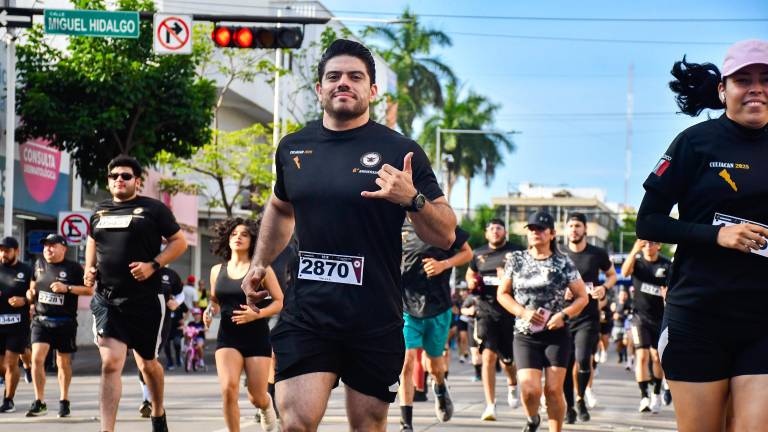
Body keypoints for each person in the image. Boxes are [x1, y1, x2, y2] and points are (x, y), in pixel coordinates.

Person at [240, 39, 456, 432]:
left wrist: (413, 199)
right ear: (319, 89)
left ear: (372, 91)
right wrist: (259, 263)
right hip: (308, 313)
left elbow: (445, 233)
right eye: (333, 76)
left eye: (355, 77)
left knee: (367, 426)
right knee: (295, 423)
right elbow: (281, 207)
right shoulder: (293, 148)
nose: (343, 82)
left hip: (374, 317)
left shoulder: (400, 151)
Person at [636, 39, 768, 432]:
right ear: (723, 90)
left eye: (766, 79)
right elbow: (649, 222)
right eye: (744, 80)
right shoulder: (694, 142)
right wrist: (716, 235)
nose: (757, 88)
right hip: (698, 316)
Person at [84, 155, 188, 432]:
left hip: (145, 301)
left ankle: (158, 411)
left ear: (137, 181)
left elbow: (179, 242)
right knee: (110, 364)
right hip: (107, 300)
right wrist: (88, 269)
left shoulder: (153, 209)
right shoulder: (99, 211)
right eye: (114, 176)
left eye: (126, 176)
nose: (119, 179)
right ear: (108, 181)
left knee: (148, 364)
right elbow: (92, 240)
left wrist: (153, 265)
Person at [498, 211, 588, 432]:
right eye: (531, 229)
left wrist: (563, 315)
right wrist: (522, 312)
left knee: (553, 391)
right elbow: (502, 294)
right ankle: (532, 419)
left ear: (552, 234)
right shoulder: (516, 260)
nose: (535, 232)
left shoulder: (563, 262)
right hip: (525, 335)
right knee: (530, 391)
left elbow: (582, 297)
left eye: (540, 229)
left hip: (556, 334)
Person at [203, 218, 282, 432]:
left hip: (256, 338)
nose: (238, 237)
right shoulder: (216, 270)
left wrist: (257, 315)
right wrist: (209, 311)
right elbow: (215, 300)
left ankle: (266, 406)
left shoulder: (261, 270)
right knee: (228, 390)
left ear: (253, 241)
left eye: (244, 234)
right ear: (227, 239)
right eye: (234, 234)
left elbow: (279, 302)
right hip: (227, 338)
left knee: (257, 397)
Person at [398, 222, 472, 430]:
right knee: (406, 362)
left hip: (438, 306)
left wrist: (443, 265)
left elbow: (467, 253)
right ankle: (406, 423)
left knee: (434, 365)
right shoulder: (398, 223)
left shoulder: (443, 223)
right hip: (407, 305)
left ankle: (440, 387)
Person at [25, 234, 91, 417]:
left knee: (63, 362)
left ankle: (64, 400)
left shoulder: (74, 268)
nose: (48, 249)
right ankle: (39, 401)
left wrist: (67, 288)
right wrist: (30, 295)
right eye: (46, 245)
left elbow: (88, 290)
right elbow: (32, 287)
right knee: (36, 359)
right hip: (41, 320)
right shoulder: (38, 264)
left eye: (52, 246)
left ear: (64, 248)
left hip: (65, 321)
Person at [561, 212, 617, 423]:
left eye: (577, 226)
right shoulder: (559, 253)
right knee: (566, 365)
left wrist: (604, 288)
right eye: (570, 226)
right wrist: (561, 291)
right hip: (564, 316)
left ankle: (580, 398)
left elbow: (612, 275)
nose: (574, 230)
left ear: (585, 229)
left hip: (588, 317)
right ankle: (569, 407)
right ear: (566, 230)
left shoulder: (597, 254)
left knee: (583, 359)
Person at [464, 219, 522, 420]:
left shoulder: (517, 252)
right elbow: (469, 274)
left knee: (508, 360)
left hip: (509, 310)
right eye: (491, 229)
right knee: (488, 356)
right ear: (486, 233)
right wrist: (471, 282)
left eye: (499, 228)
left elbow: (528, 277)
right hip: (485, 310)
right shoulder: (478, 253)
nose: (495, 231)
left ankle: (512, 384)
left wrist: (508, 277)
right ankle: (490, 405)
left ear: (505, 232)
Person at [621, 239, 670, 414]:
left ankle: (656, 392)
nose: (648, 246)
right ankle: (644, 397)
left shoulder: (666, 264)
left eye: (652, 243)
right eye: (645, 243)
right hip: (639, 317)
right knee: (642, 356)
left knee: (656, 357)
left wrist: (668, 295)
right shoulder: (637, 262)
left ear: (659, 245)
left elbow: (675, 288)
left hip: (660, 318)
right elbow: (624, 272)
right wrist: (634, 250)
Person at [139, 265, 184, 418]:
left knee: (151, 359)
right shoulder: (140, 268)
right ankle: (147, 400)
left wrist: (176, 302)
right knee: (143, 361)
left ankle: (150, 400)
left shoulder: (170, 275)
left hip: (162, 324)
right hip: (140, 321)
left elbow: (180, 293)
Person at [0, 236, 33, 413]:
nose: (3, 254)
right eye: (1, 251)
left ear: (16, 251)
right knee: (2, 366)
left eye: (7, 250)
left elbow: (35, 294)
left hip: (18, 323)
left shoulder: (27, 270)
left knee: (11, 362)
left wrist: (24, 301)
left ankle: (8, 400)